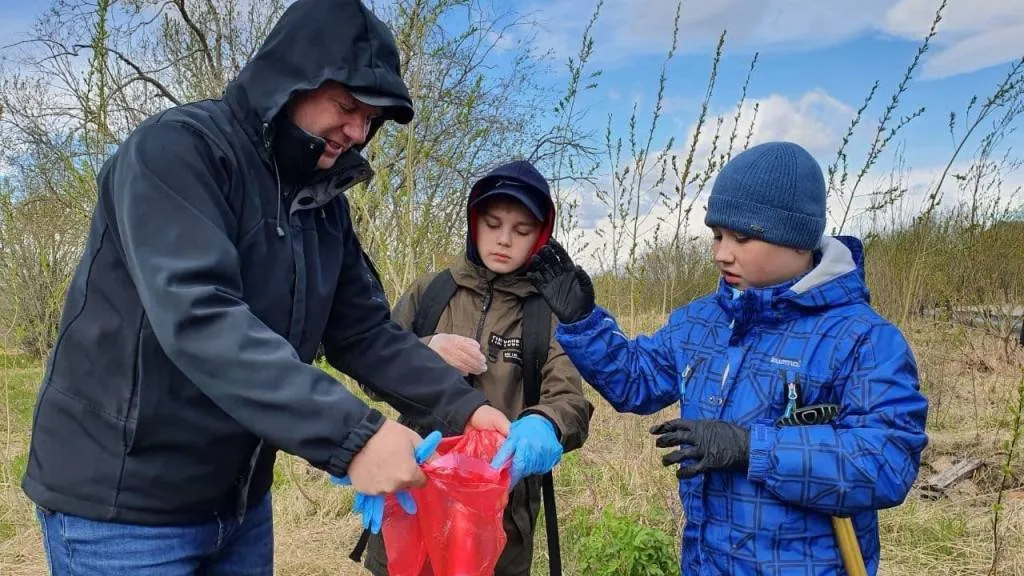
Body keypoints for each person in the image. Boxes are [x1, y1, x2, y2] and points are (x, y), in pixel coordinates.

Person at [21, 0, 510, 573]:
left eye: (372, 119)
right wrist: (354, 436)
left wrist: (466, 408)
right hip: (121, 507)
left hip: (240, 502)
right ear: (292, 81)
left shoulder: (323, 203)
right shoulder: (177, 153)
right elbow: (202, 319)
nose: (359, 131)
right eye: (348, 106)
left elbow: (364, 333)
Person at [526, 141, 929, 575]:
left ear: (797, 240)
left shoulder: (862, 338)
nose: (722, 252)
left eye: (742, 237)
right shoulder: (701, 321)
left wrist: (750, 447)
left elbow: (886, 461)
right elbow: (635, 382)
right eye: (717, 235)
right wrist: (583, 322)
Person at [362, 160, 594, 576]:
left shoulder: (546, 315)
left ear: (540, 236)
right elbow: (373, 373)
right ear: (474, 223)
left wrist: (545, 424)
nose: (504, 240)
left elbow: (570, 402)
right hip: (415, 493)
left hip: (498, 511)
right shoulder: (430, 292)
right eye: (492, 223)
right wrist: (424, 350)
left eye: (522, 231)